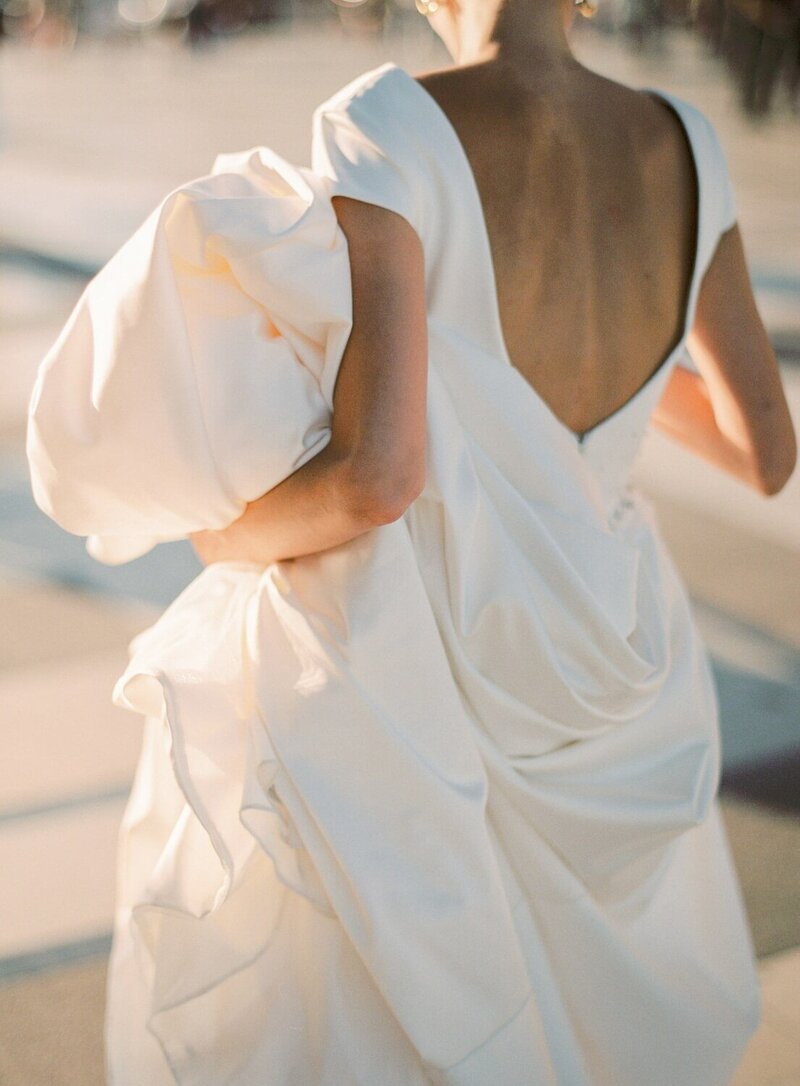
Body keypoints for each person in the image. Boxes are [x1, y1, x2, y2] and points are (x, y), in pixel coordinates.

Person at [26, 0, 796, 1082]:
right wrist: (625, 346)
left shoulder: (387, 120)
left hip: (430, 645)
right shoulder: (687, 139)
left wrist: (221, 539)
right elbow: (763, 449)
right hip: (616, 649)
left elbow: (377, 477)